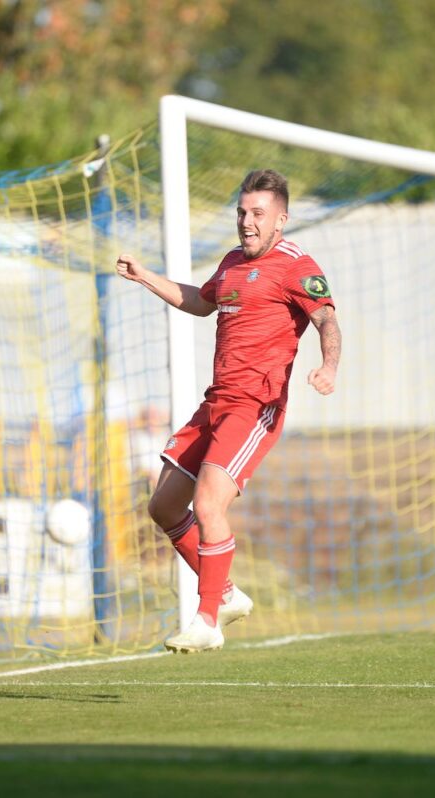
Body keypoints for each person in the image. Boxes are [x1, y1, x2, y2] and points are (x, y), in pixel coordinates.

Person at [116, 168, 341, 652]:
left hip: (256, 406)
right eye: (241, 212)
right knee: (163, 507)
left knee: (208, 504)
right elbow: (201, 302)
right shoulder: (232, 263)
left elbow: (326, 319)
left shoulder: (296, 265)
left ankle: (207, 619)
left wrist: (328, 367)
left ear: (281, 219)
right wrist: (146, 277)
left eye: (258, 213)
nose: (246, 221)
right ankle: (227, 594)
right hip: (215, 402)